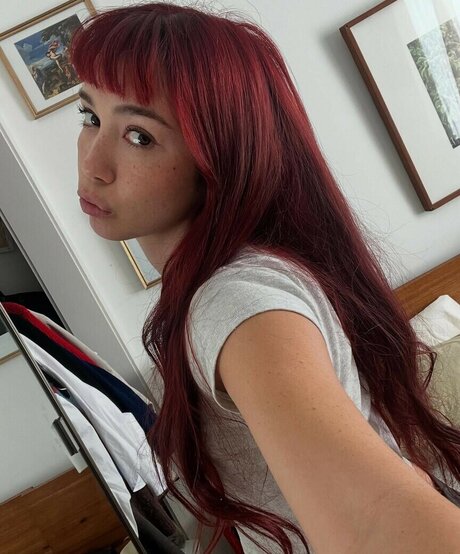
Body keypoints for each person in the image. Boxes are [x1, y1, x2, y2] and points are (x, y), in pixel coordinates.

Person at [69, 3, 460, 553]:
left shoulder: (236, 303)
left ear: (221, 155)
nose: (93, 164)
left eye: (139, 136)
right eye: (90, 117)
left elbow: (375, 521)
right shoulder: (232, 281)